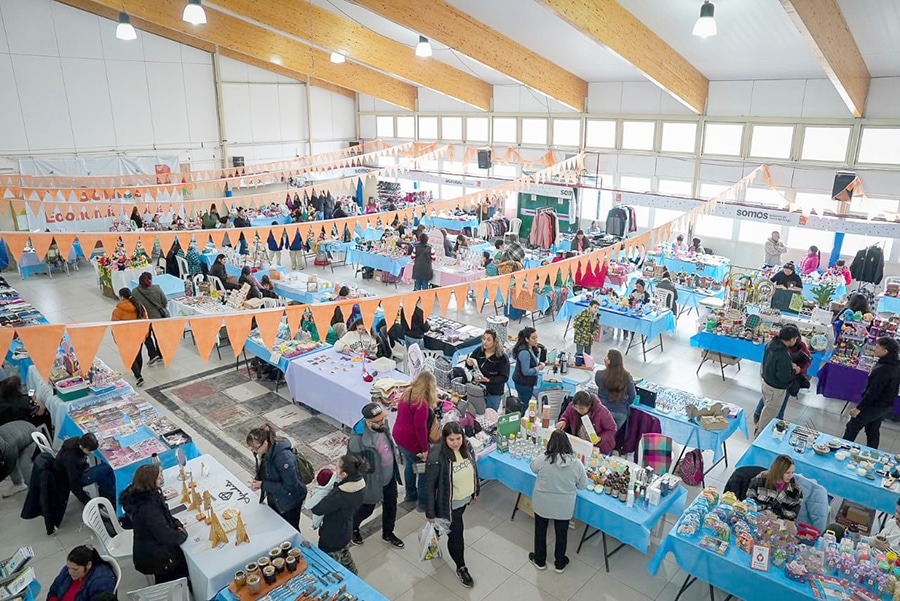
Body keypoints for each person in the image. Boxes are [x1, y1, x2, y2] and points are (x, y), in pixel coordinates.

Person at [425, 421, 479, 588]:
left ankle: (432, 535)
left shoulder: (467, 447)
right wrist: (430, 513)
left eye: (458, 438)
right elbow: (429, 487)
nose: (456, 443)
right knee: (456, 534)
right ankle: (461, 566)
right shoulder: (437, 456)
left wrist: (474, 491)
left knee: (446, 526)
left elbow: (474, 469)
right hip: (448, 505)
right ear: (444, 439)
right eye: (451, 440)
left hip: (463, 500)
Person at [347, 403, 404, 548]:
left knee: (391, 506)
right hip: (372, 481)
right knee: (366, 509)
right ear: (368, 422)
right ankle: (353, 528)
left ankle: (388, 533)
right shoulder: (357, 439)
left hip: (389, 476)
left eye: (382, 419)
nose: (382, 422)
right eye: (378, 421)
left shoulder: (383, 427)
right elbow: (352, 465)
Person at [529, 430, 587, 573]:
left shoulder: (543, 459)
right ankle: (560, 563)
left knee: (540, 532)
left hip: (543, 503)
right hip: (564, 506)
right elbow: (582, 485)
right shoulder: (577, 464)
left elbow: (533, 467)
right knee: (562, 534)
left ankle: (540, 560)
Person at [119, 464, 189, 583]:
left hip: (147, 544)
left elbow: (165, 515)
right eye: (158, 478)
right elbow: (165, 535)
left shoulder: (140, 497)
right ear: (150, 482)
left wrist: (176, 523)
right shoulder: (149, 508)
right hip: (155, 556)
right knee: (183, 562)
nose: (161, 480)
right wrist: (183, 534)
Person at [308, 455, 367, 575]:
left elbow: (317, 509)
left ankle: (347, 582)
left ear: (344, 474)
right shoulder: (359, 482)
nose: (335, 471)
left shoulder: (341, 494)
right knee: (345, 555)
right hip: (346, 528)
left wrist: (322, 491)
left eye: (337, 468)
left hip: (332, 535)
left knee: (329, 565)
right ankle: (353, 575)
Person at [246, 424, 307, 531]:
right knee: (276, 523)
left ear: (265, 442)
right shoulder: (268, 451)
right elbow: (265, 468)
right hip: (276, 496)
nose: (254, 451)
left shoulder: (284, 458)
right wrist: (258, 479)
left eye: (255, 448)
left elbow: (290, 486)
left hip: (290, 501)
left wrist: (263, 485)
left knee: (290, 529)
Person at [843, 337, 900, 449]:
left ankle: (843, 448)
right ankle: (873, 452)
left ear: (885, 351)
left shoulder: (883, 369)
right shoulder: (896, 365)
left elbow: (873, 392)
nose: (875, 349)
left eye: (878, 347)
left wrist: (858, 408)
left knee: (853, 425)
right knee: (873, 428)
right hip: (886, 405)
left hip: (874, 405)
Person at [393, 372, 438, 508]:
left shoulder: (408, 393)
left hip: (399, 436)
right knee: (423, 470)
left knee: (409, 465)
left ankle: (410, 494)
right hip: (411, 441)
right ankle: (423, 503)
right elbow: (420, 429)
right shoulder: (421, 404)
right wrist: (424, 449)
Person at [753, 327, 811, 424]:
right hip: (776, 388)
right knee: (769, 415)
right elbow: (784, 377)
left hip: (767, 382)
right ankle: (760, 433)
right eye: (796, 339)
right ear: (791, 339)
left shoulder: (771, 344)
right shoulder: (783, 354)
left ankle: (760, 424)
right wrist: (794, 370)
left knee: (767, 409)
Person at [56, 433, 116, 508]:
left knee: (105, 471)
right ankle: (107, 500)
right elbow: (74, 483)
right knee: (107, 470)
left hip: (78, 470)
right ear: (82, 447)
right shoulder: (71, 459)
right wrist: (88, 502)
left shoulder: (76, 441)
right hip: (73, 478)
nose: (92, 453)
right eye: (90, 450)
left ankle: (106, 497)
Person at [46, 545, 117, 601]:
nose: (70, 572)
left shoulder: (101, 581)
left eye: (75, 569)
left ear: (88, 565)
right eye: (68, 567)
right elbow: (54, 588)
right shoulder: (69, 569)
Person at [745, 455, 802, 520]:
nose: (790, 476)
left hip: (778, 523)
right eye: (787, 473)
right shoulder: (760, 479)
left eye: (792, 472)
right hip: (755, 516)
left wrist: (778, 513)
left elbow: (794, 514)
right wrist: (762, 510)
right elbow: (749, 499)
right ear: (778, 471)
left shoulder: (796, 490)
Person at [465, 330, 510, 412]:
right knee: (475, 412)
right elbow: (469, 367)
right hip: (477, 388)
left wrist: (489, 380)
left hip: (493, 392)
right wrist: (468, 363)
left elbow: (504, 377)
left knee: (490, 415)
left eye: (488, 340)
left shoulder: (502, 358)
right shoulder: (479, 351)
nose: (485, 342)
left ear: (495, 342)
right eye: (484, 339)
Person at [111, 288, 148, 386]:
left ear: (121, 297)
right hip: (138, 335)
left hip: (126, 337)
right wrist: (145, 333)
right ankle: (138, 372)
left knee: (130, 357)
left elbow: (115, 326)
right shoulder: (139, 306)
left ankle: (138, 376)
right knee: (138, 355)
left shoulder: (118, 310)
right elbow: (146, 320)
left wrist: (116, 338)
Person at [594, 349, 636, 430]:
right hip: (620, 412)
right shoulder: (627, 376)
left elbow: (598, 384)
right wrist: (624, 403)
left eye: (607, 356)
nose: (604, 358)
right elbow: (632, 396)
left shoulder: (599, 375)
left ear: (609, 361)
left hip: (603, 410)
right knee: (611, 435)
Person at [130, 272, 166, 365]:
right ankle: (161, 353)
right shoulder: (157, 288)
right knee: (158, 336)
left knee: (146, 337)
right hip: (157, 317)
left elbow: (133, 306)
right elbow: (164, 301)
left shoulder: (135, 292)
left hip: (144, 318)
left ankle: (152, 354)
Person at [0, 420, 37, 497]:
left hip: (31, 434)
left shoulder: (9, 447)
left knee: (23, 464)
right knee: (10, 460)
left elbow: (8, 468)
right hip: (18, 431)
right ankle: (18, 484)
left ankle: (36, 490)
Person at [512, 327, 545, 412]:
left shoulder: (531, 348)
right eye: (533, 338)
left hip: (526, 381)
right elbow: (526, 371)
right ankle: (519, 418)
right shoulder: (524, 352)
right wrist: (538, 368)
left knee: (524, 402)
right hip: (523, 383)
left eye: (536, 337)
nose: (536, 340)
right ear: (527, 339)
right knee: (524, 404)